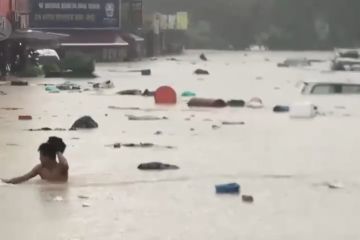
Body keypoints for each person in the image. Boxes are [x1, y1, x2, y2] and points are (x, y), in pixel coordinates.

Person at [2, 143, 69, 184]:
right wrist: (7, 182)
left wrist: (57, 151)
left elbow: (65, 163)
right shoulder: (40, 168)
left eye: (41, 156)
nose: (39, 158)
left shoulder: (61, 168)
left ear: (47, 157)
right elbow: (24, 178)